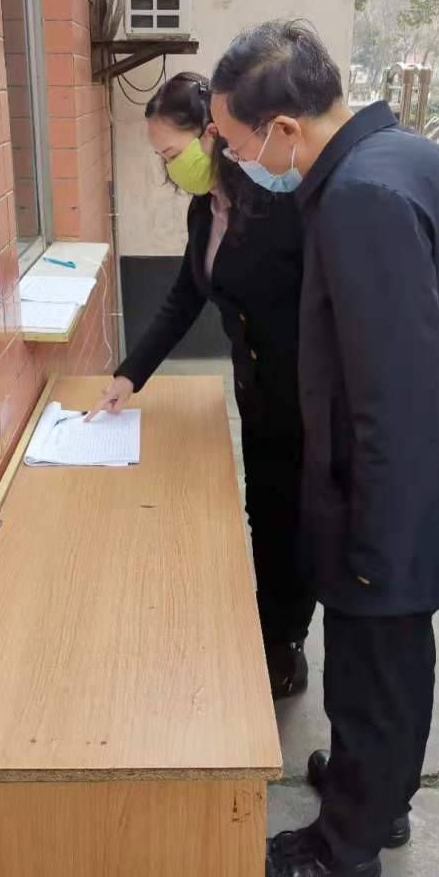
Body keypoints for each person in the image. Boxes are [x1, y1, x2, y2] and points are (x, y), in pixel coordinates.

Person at [210, 21, 439, 877]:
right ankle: (376, 794)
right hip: (424, 478)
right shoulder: (408, 156)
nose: (236, 161)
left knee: (370, 672)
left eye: (237, 144)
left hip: (389, 490)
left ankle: (344, 850)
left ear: (284, 129)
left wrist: (374, 541)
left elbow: (389, 394)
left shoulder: (359, 198)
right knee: (397, 662)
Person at [86, 71, 316, 699]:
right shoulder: (205, 207)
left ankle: (286, 644)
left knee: (293, 520)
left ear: (211, 135)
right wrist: (130, 374)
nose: (169, 167)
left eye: (171, 151)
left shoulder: (278, 204)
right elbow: (185, 296)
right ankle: (268, 622)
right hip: (257, 389)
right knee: (263, 510)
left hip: (303, 394)